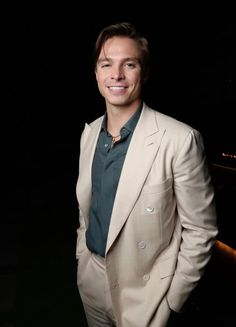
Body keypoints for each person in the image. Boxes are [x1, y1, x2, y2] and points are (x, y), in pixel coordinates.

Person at [75, 21, 218, 327]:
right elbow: (87, 208)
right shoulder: (88, 134)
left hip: (148, 295)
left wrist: (172, 300)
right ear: (96, 73)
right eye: (106, 64)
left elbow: (201, 230)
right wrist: (81, 257)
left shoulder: (180, 140)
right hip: (91, 282)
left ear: (145, 72)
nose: (116, 75)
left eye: (129, 64)